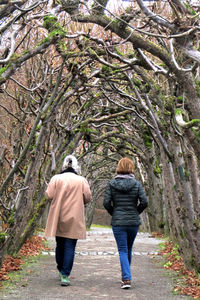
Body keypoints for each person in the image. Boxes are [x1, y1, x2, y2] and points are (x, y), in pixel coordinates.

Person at [44, 154, 92, 286]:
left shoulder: (56, 178)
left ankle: (60, 268)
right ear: (76, 166)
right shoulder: (81, 180)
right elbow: (88, 197)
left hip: (58, 215)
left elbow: (49, 195)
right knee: (70, 245)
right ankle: (65, 274)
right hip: (75, 216)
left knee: (60, 244)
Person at [103, 157, 148, 289]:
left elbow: (106, 203)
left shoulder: (112, 184)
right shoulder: (137, 184)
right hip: (133, 222)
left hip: (118, 222)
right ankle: (126, 276)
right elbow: (144, 202)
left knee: (123, 250)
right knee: (128, 249)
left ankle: (126, 278)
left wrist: (115, 213)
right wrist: (135, 212)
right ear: (131, 168)